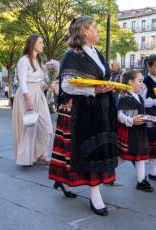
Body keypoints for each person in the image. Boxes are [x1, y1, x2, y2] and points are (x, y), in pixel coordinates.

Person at [48, 16, 118, 216]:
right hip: (82, 108)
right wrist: (95, 91)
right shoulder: (72, 55)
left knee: (77, 151)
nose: (98, 30)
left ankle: (62, 181)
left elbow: (101, 78)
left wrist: (108, 86)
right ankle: (95, 195)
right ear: (84, 32)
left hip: (102, 107)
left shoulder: (98, 52)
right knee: (87, 150)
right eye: (94, 27)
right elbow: (67, 85)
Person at [12, 34, 53, 166]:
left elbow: (38, 80)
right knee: (29, 127)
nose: (42, 45)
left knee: (46, 127)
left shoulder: (38, 61)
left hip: (38, 94)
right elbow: (22, 81)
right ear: (33, 44)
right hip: (27, 95)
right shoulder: (24, 60)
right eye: (40, 42)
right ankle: (28, 157)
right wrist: (27, 98)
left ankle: (39, 152)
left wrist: (46, 84)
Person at [117, 70, 155, 192]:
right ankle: (107, 172)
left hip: (139, 131)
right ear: (130, 82)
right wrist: (131, 121)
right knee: (122, 156)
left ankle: (141, 180)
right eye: (140, 81)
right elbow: (119, 115)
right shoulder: (124, 96)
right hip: (129, 131)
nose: (142, 84)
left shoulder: (138, 96)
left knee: (140, 156)